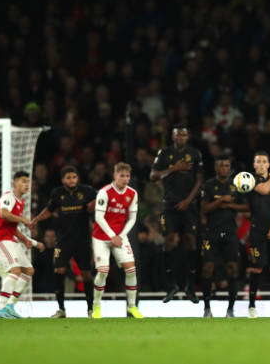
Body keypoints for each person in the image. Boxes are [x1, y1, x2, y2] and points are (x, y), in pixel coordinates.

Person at [30, 165, 97, 318]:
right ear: (63, 180)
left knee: (86, 274)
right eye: (68, 178)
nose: (72, 180)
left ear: (77, 178)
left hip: (82, 240)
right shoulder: (57, 193)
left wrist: (94, 206)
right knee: (59, 271)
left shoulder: (87, 191)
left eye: (74, 177)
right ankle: (61, 309)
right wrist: (36, 220)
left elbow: (102, 199)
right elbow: (49, 210)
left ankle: (90, 309)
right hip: (63, 240)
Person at [150, 124, 203, 303]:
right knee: (169, 241)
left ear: (187, 137)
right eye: (177, 135)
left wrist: (188, 200)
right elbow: (153, 176)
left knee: (191, 241)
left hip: (190, 204)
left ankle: (190, 286)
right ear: (173, 137)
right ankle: (171, 285)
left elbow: (199, 180)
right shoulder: (164, 154)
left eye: (183, 135)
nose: (180, 138)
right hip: (169, 204)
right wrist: (174, 168)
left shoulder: (195, 154)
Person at [0, 171, 45, 318]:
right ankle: (0, 307)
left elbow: (12, 227)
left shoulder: (20, 202)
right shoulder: (8, 197)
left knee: (29, 271)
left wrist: (26, 240)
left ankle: (10, 305)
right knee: (15, 271)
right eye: (23, 181)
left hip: (10, 240)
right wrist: (22, 219)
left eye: (28, 182)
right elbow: (4, 214)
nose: (26, 185)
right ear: (15, 183)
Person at [91, 162, 143, 319]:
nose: (125, 179)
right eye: (122, 176)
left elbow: (132, 218)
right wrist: (112, 235)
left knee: (131, 270)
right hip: (101, 238)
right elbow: (99, 217)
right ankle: (97, 306)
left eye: (127, 176)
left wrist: (120, 236)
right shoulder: (104, 192)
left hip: (120, 237)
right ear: (115, 176)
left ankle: (132, 307)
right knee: (103, 271)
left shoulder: (132, 193)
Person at [200, 155, 249, 318]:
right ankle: (207, 308)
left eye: (227, 166)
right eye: (221, 166)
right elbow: (204, 209)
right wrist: (221, 199)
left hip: (230, 232)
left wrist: (228, 204)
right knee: (207, 268)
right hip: (211, 232)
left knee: (233, 269)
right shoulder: (208, 185)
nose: (225, 168)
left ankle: (231, 309)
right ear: (215, 168)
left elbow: (247, 207)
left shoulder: (236, 185)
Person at [246, 151, 270, 318]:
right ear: (254, 165)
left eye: (264, 161)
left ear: (268, 164)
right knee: (256, 268)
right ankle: (252, 306)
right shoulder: (249, 180)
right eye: (258, 162)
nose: (261, 164)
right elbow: (263, 190)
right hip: (257, 231)